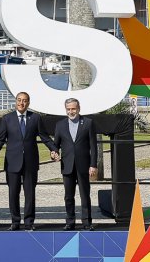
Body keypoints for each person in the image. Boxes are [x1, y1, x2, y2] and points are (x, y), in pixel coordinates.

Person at [0, 91, 58, 231]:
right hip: (12, 162)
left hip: (30, 162)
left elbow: (45, 137)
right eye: (19, 100)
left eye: (25, 100)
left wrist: (54, 149)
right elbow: (1, 139)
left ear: (28, 103)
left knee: (30, 193)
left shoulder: (36, 118)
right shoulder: (7, 118)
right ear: (16, 101)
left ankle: (29, 222)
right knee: (13, 193)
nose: (21, 103)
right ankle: (15, 222)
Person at [53, 97, 97, 231]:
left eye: (73, 108)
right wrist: (54, 153)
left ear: (79, 108)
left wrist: (93, 165)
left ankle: (87, 222)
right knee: (68, 196)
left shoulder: (88, 123)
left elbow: (93, 146)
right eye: (68, 109)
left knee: (85, 195)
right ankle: (70, 222)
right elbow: (55, 145)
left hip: (84, 165)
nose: (71, 111)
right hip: (67, 165)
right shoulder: (60, 125)